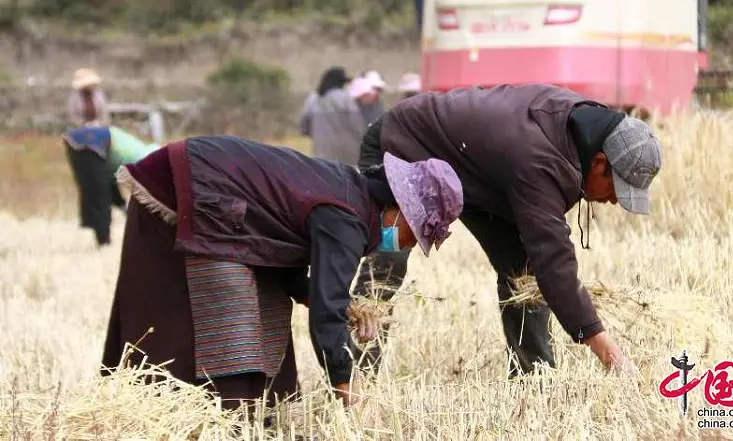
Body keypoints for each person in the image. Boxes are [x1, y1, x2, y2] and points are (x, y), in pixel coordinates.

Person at [101, 135, 463, 412]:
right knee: (229, 301)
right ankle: (212, 411)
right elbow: (326, 311)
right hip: (185, 187)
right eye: (414, 236)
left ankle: (256, 413)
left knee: (268, 299)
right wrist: (345, 384)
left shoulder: (352, 198)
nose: (408, 246)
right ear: (399, 211)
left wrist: (347, 309)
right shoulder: (346, 217)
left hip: (200, 181)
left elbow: (288, 274)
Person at [352, 83, 662, 377]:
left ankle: (534, 377)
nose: (614, 201)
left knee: (523, 269)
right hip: (404, 144)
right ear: (598, 162)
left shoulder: (583, 129)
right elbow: (554, 261)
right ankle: (353, 379)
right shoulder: (539, 158)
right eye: (616, 189)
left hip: (479, 176)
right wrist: (606, 350)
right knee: (387, 263)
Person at [62, 125, 160, 246]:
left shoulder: (136, 154)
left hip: (79, 141)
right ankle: (104, 242)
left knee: (97, 191)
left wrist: (124, 207)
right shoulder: (144, 161)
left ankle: (103, 240)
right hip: (95, 142)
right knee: (100, 196)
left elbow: (111, 182)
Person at [298, 66, 365, 166]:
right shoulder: (346, 98)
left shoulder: (313, 98)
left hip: (320, 154)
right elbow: (357, 126)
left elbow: (304, 126)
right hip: (346, 154)